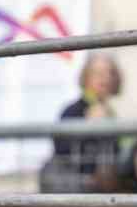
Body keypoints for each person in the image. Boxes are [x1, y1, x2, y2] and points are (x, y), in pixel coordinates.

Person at [45, 53, 123, 190]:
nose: (104, 78)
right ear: (86, 78)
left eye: (109, 73)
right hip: (75, 188)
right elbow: (61, 149)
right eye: (97, 73)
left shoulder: (110, 113)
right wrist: (88, 128)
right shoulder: (72, 111)